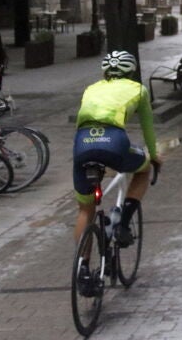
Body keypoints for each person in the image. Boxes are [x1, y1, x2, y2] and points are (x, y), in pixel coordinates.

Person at [71, 51, 162, 250]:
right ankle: (123, 225)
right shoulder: (138, 89)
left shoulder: (91, 88)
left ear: (105, 72)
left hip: (83, 142)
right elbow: (147, 127)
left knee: (85, 211)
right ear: (131, 72)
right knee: (143, 169)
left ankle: (82, 266)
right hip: (114, 141)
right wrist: (154, 156)